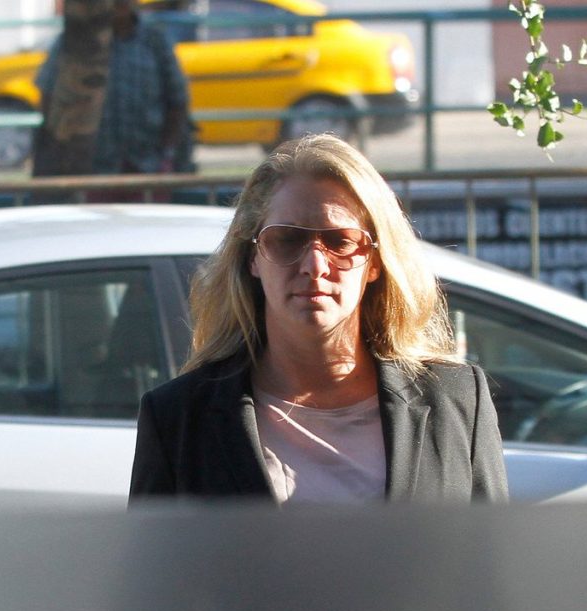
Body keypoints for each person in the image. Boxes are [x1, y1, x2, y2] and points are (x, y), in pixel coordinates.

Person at [129, 134, 509, 503]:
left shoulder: (456, 400)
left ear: (374, 262)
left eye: (340, 241)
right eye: (287, 239)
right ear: (253, 257)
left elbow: (490, 545)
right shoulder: (178, 419)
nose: (314, 265)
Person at [36, 0, 192, 175]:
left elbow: (178, 100)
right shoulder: (74, 40)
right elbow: (47, 96)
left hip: (146, 166)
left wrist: (166, 155)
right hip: (90, 169)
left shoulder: (155, 40)